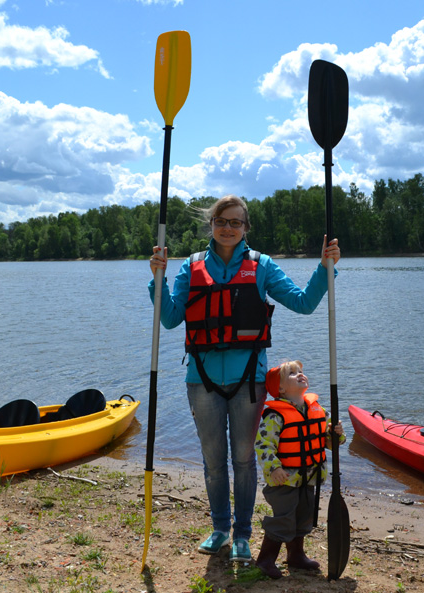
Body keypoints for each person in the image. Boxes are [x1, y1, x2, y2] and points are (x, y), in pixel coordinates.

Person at [148, 194, 340, 563]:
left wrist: (324, 267)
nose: (228, 228)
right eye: (222, 221)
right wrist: (158, 278)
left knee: (244, 459)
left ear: (246, 228)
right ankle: (220, 528)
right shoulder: (191, 266)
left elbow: (303, 303)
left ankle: (243, 534)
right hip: (200, 379)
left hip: (249, 381)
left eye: (236, 222)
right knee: (213, 459)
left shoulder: (262, 266)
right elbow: (171, 318)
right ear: (212, 225)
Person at [254, 360, 345, 579]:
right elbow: (263, 445)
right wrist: (273, 468)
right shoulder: (276, 416)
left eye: (301, 372)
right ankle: (265, 560)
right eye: (292, 373)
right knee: (283, 520)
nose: (300, 374)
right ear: (281, 389)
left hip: (309, 477)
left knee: (303, 518)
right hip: (284, 479)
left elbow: (332, 442)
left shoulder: (317, 410)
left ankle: (296, 555)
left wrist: (337, 432)